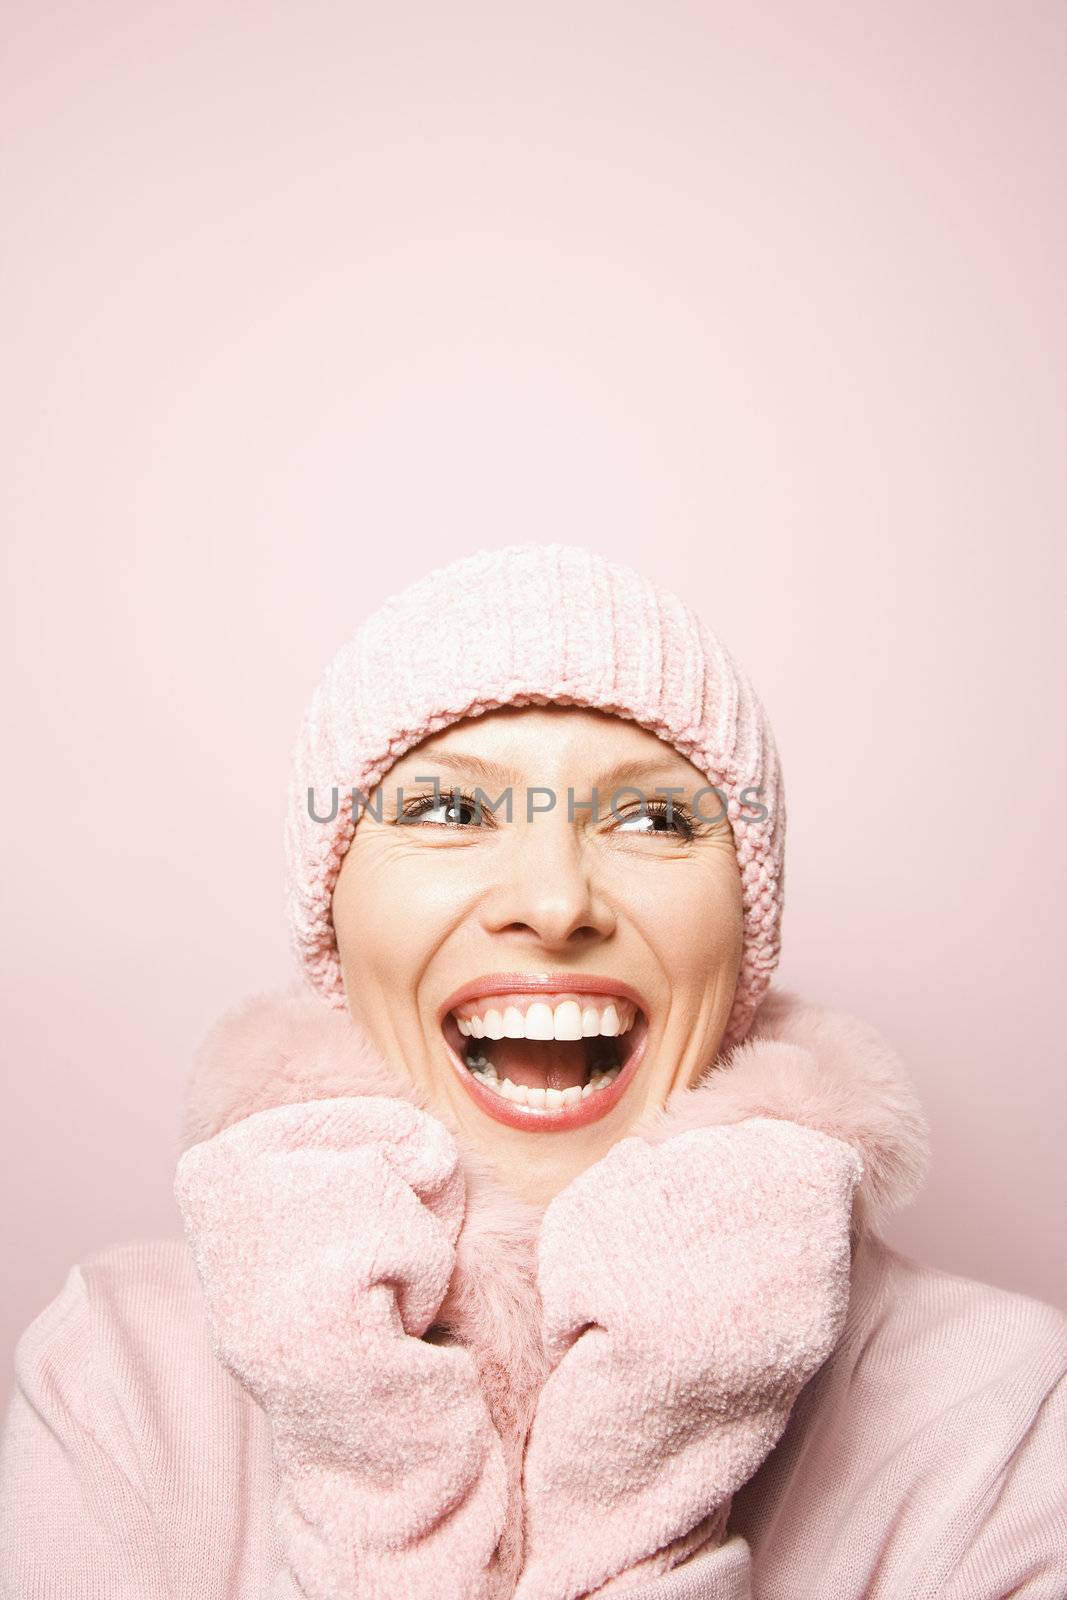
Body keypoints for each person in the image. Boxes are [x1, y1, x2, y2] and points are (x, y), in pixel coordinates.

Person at [1, 542, 1064, 1600]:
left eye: (650, 817)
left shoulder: (1001, 1414)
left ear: (744, 931)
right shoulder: (117, 1373)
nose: (556, 904)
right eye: (450, 812)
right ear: (334, 918)